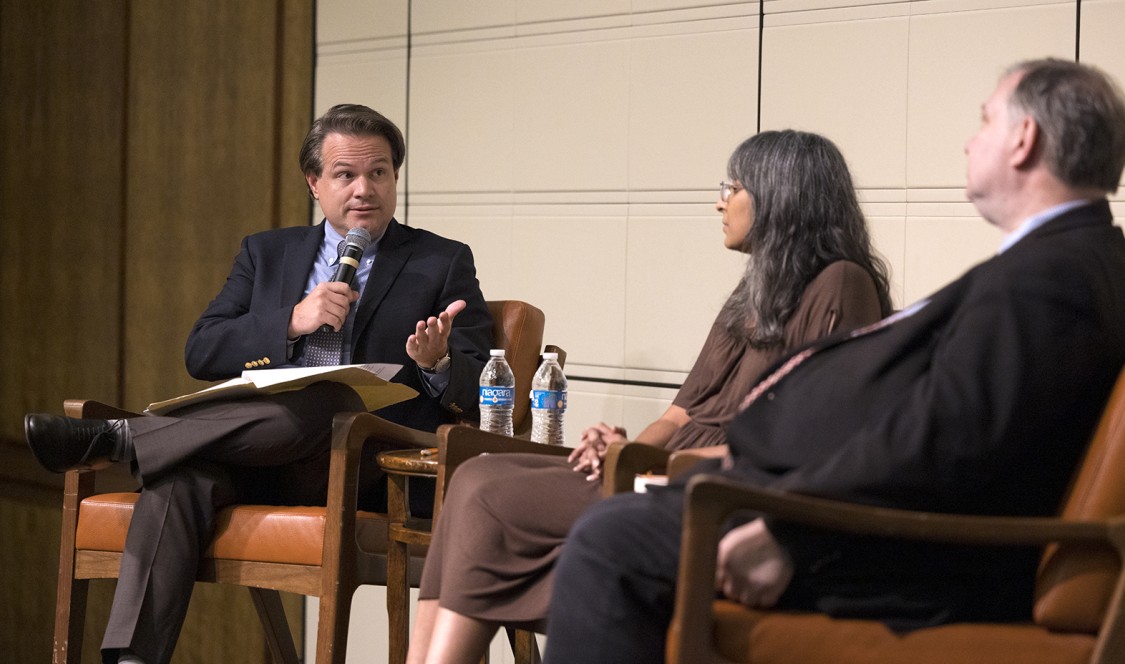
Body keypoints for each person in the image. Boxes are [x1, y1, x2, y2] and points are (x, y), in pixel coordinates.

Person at [543, 58, 1125, 663]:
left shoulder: (1048, 278)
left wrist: (788, 532)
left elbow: (944, 439)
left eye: (984, 121)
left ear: (1024, 138)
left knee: (611, 538)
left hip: (901, 552)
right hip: (854, 515)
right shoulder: (1072, 261)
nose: (969, 141)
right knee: (640, 505)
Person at [22, 104, 493, 664]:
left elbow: (483, 380)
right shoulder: (267, 252)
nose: (364, 189)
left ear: (395, 177)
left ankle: (126, 438)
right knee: (180, 476)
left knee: (335, 398)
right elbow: (202, 349)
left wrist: (437, 360)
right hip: (258, 452)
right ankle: (133, 658)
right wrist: (291, 320)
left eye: (380, 173)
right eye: (345, 174)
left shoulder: (439, 261)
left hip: (363, 465)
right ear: (314, 182)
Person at [408, 130, 895, 664]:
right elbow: (682, 410)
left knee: (487, 499)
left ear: (781, 194)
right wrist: (622, 447)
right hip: (663, 466)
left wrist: (657, 463)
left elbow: (816, 443)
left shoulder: (842, 285)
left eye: (732, 187)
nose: (719, 201)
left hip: (724, 483)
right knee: (474, 476)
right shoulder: (754, 290)